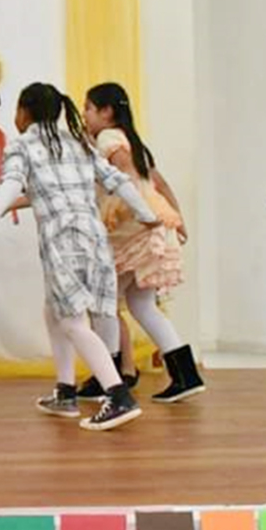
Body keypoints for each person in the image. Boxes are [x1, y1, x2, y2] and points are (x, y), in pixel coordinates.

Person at [0, 82, 160, 431]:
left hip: (62, 240)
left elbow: (10, 185)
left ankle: (117, 394)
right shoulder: (79, 142)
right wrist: (145, 214)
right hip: (95, 237)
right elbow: (119, 181)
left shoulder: (21, 145)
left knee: (71, 320)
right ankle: (66, 391)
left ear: (24, 111)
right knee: (58, 310)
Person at [78, 82, 205, 403]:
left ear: (106, 112)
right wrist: (177, 217)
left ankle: (108, 377)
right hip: (151, 227)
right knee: (141, 304)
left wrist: (131, 207)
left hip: (133, 232)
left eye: (88, 108)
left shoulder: (108, 138)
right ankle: (185, 374)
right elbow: (158, 181)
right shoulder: (133, 140)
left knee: (103, 302)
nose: (84, 115)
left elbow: (125, 176)